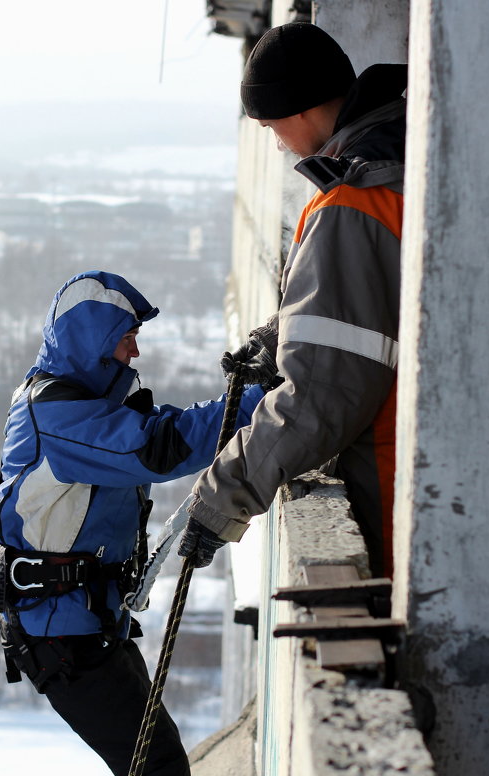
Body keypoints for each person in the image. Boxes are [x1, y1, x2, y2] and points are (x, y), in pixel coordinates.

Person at [0, 270, 264, 776]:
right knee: (156, 766)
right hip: (61, 637)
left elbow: (165, 429)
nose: (134, 354)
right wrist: (258, 401)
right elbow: (159, 447)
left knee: (156, 760)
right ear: (93, 341)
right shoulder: (54, 417)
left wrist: (248, 399)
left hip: (90, 626)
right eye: (126, 339)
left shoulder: (86, 407)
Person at [179, 22, 407, 579]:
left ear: (301, 110)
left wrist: (223, 495)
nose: (276, 141)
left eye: (270, 125)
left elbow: (324, 391)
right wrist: (281, 335)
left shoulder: (353, 203)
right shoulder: (407, 159)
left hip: (402, 489)